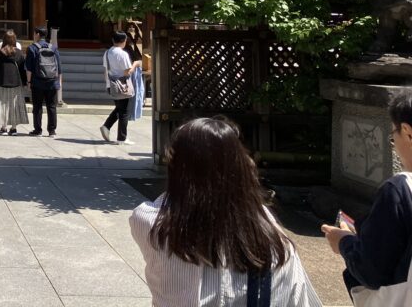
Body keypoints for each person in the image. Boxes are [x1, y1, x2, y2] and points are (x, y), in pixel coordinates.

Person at [130, 117, 322, 307]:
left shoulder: (150, 223)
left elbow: (169, 204)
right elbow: (300, 298)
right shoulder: (271, 234)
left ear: (178, 169)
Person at [321, 88, 412, 304]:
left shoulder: (400, 190)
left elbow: (371, 271)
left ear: (408, 132)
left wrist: (344, 242)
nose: (394, 143)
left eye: (393, 135)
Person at [100, 31, 141, 145]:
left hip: (111, 84)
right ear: (124, 41)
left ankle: (106, 126)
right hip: (123, 85)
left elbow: (105, 70)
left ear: (113, 40)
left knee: (119, 108)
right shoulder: (122, 54)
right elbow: (127, 72)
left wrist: (107, 83)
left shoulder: (107, 53)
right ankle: (122, 138)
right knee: (124, 112)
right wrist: (136, 64)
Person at [25, 26, 61, 136]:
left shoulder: (32, 48)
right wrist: (58, 82)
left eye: (34, 33)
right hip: (52, 82)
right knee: (51, 106)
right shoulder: (53, 48)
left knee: (37, 106)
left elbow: (29, 68)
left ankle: (38, 130)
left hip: (37, 82)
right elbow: (59, 68)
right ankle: (52, 130)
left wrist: (29, 82)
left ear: (37, 34)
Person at [0, 30, 28, 134]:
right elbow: (22, 69)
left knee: (3, 104)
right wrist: (24, 82)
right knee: (14, 104)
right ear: (14, 40)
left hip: (2, 81)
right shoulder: (19, 53)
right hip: (16, 82)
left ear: (4, 40)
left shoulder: (0, 52)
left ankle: (4, 127)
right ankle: (14, 128)